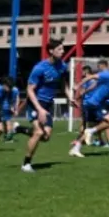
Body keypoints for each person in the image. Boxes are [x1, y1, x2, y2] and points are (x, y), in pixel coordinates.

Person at [21, 38, 72, 173]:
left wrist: (69, 97)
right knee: (38, 132)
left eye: (63, 49)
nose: (63, 51)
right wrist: (39, 109)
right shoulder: (39, 68)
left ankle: (20, 129)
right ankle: (26, 164)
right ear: (51, 51)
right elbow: (30, 89)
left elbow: (63, 84)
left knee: (46, 137)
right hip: (36, 103)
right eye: (60, 49)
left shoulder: (62, 66)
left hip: (48, 104)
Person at [70, 63, 109, 157]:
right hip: (94, 103)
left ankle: (76, 148)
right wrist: (78, 85)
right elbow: (91, 77)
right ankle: (90, 132)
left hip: (99, 104)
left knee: (94, 127)